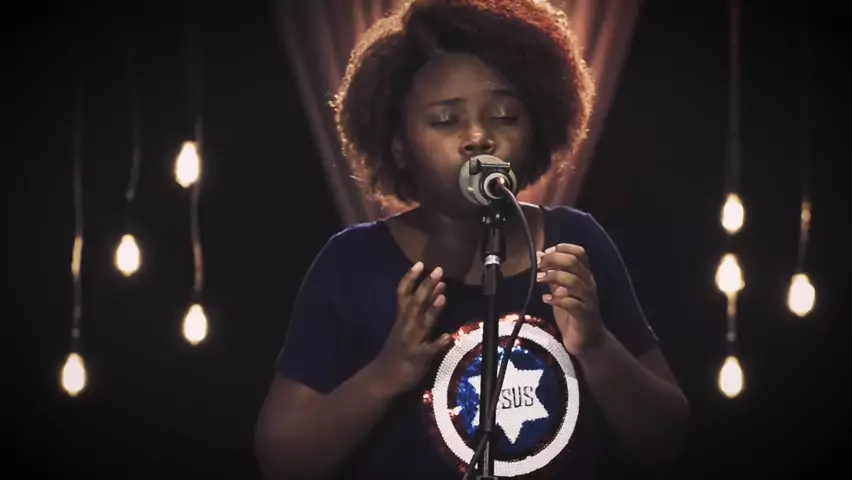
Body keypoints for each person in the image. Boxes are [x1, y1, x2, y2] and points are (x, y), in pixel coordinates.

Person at [255, 0, 690, 478]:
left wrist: (597, 346)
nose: (479, 137)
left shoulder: (576, 243)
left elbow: (669, 442)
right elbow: (281, 459)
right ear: (398, 144)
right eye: (446, 120)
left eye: (504, 116)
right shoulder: (353, 263)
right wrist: (385, 374)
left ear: (536, 126)